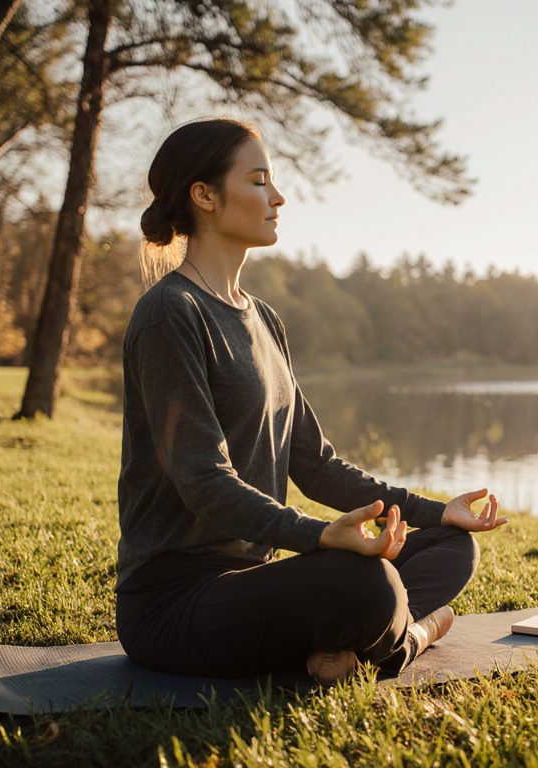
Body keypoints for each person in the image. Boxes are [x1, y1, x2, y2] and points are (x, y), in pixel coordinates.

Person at [115, 117, 508, 685]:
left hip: (261, 584)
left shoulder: (265, 320)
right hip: (174, 603)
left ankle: (345, 643)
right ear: (204, 195)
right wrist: (319, 536)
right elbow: (201, 479)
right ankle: (406, 640)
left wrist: (434, 512)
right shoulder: (170, 314)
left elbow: (317, 467)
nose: (278, 197)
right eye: (258, 182)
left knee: (452, 548)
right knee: (367, 585)